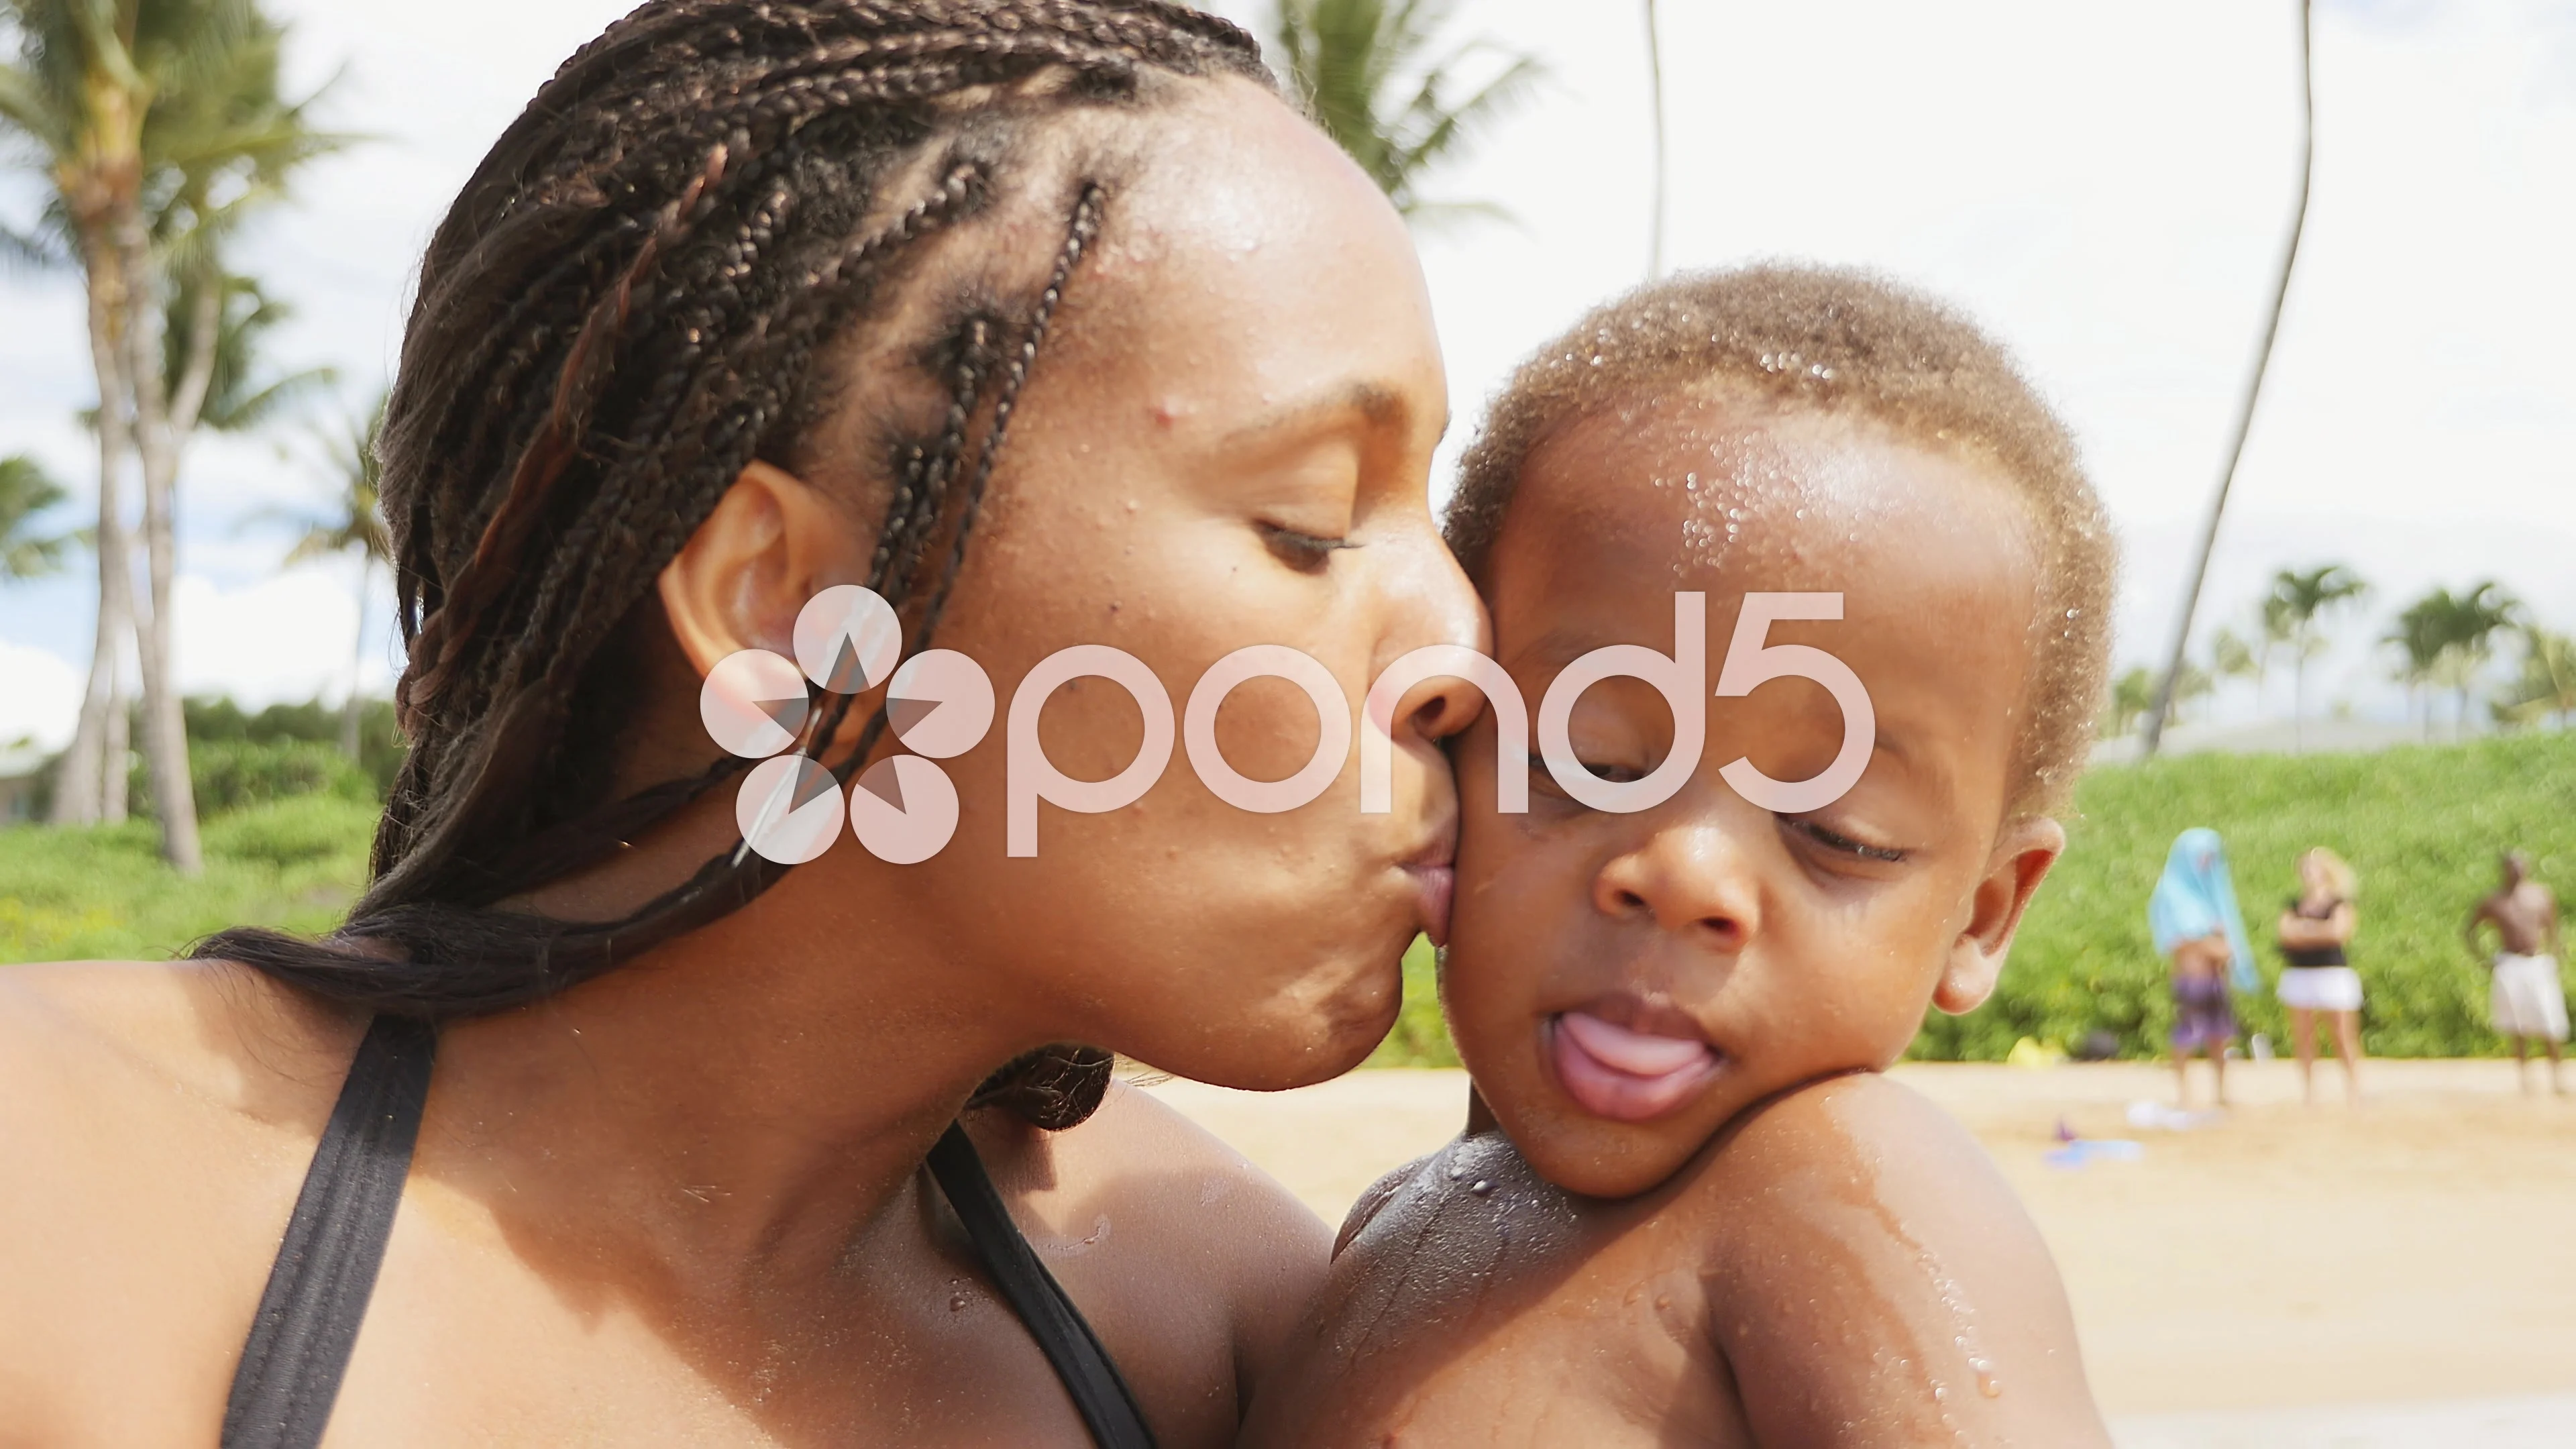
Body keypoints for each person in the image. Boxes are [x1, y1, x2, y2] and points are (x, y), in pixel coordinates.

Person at [0, 5, 1492, 1444]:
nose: (1466, 651)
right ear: (784, 607)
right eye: (1307, 522)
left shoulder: (1215, 1322)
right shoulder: (68, 1208)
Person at [1242, 266, 2115, 1445]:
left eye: (1835, 835)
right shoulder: (1397, 1225)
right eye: (1592, 765)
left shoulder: (1849, 1199)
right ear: (1453, 758)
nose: (1686, 874)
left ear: (1980, 918)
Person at [2151, 828, 2255, 1108]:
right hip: (2192, 978)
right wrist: (2219, 948)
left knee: (2219, 1035)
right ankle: (2183, 1094)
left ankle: (2221, 1093)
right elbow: (2182, 940)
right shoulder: (2171, 890)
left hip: (2216, 979)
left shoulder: (2208, 891)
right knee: (2187, 1034)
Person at [2467, 851, 2567, 1095]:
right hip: (2510, 963)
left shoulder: (2541, 896)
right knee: (2517, 1024)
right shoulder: (2495, 901)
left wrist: (2556, 953)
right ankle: (2525, 1081)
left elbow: (2553, 928)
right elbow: (2469, 931)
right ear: (2505, 870)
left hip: (2537, 963)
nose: (2517, 871)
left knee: (2549, 1021)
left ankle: (2557, 1079)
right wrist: (2484, 960)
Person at [2276, 845, 2364, 1106]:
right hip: (2301, 974)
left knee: (2342, 1034)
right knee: (2304, 1036)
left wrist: (2304, 930)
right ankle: (2310, 1092)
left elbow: (2338, 933)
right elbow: (2285, 934)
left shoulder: (2339, 902)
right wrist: (2318, 931)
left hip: (2332, 974)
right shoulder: (2293, 903)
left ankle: (2353, 1089)